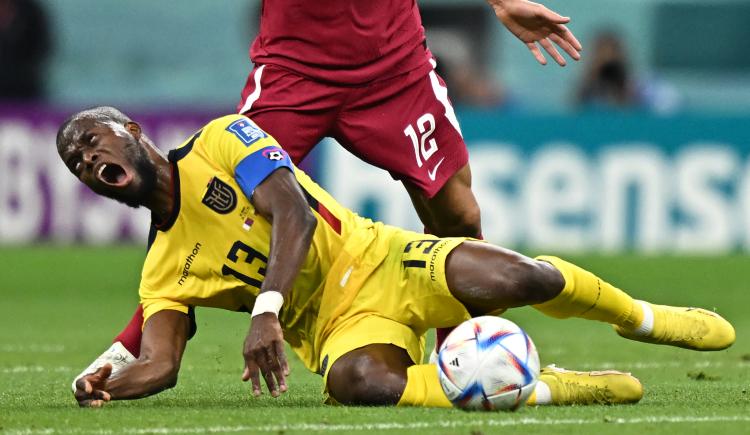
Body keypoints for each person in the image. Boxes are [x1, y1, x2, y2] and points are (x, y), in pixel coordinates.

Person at [59, 107, 734, 408]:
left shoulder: (221, 138)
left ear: (132, 132)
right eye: (76, 162)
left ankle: (642, 317)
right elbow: (161, 363)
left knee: (521, 276)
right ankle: (546, 386)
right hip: (336, 327)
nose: (88, 159)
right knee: (356, 385)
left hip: (381, 255)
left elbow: (290, 209)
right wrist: (100, 385)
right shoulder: (161, 266)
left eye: (92, 140)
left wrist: (264, 311)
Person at [75, 0, 585, 383]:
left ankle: (469, 356)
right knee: (203, 194)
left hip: (394, 66)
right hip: (292, 74)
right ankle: (130, 348)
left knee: (458, 213)